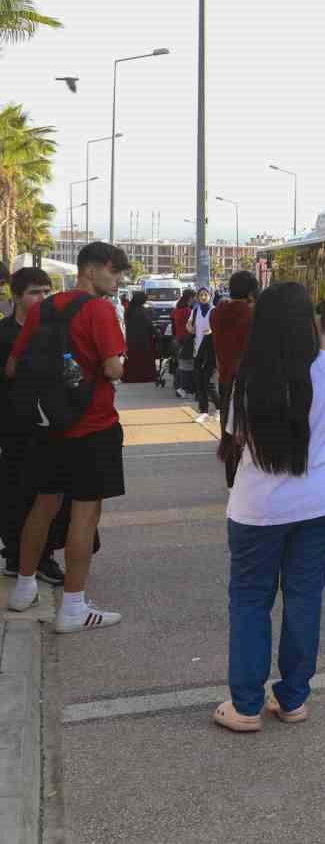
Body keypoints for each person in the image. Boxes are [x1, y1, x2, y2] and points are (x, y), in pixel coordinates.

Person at [211, 281, 325, 732]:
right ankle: (293, 699)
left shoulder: (248, 376)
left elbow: (237, 440)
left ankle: (245, 707)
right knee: (304, 599)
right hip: (320, 505)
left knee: (251, 601)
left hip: (257, 509)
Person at [4, 242, 132, 633]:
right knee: (85, 513)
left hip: (48, 426)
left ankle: (23, 588)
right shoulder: (99, 310)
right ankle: (74, 608)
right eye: (114, 272)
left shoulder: (43, 308)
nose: (118, 280)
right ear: (91, 271)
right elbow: (113, 369)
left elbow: (12, 367)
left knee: (43, 505)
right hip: (92, 426)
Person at [0, 267, 65, 586]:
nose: (41, 298)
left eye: (46, 292)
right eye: (34, 292)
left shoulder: (56, 331)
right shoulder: (4, 334)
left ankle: (44, 557)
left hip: (50, 426)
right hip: (13, 428)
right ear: (16, 297)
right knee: (14, 492)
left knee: (48, 495)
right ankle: (15, 554)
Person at [210, 270, 257, 437]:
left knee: (227, 427)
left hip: (224, 376)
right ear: (251, 291)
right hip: (246, 381)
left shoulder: (215, 314)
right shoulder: (252, 315)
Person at [189, 288, 218, 421]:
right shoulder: (195, 310)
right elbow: (189, 325)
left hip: (210, 351)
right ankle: (204, 411)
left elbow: (218, 327)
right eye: (201, 295)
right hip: (197, 350)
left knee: (208, 382)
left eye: (206, 294)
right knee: (199, 382)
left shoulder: (214, 311)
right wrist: (190, 328)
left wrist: (211, 330)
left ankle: (219, 408)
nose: (203, 297)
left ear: (210, 296)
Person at [122, 292, 158, 383]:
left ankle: (131, 377)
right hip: (142, 340)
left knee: (133, 359)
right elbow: (148, 324)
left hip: (132, 340)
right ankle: (144, 377)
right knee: (143, 360)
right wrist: (156, 332)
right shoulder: (141, 311)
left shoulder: (129, 310)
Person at [171, 289, 195, 398]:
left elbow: (174, 326)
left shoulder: (176, 310)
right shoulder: (188, 311)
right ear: (190, 298)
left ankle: (178, 386)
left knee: (180, 364)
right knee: (187, 365)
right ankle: (183, 388)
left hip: (177, 339)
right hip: (187, 340)